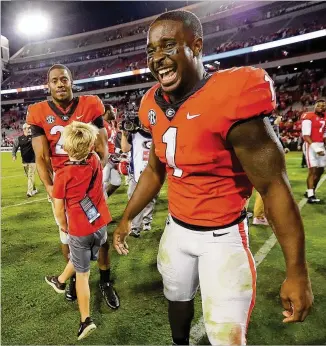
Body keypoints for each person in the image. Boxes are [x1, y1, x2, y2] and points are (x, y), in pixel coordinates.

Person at [113, 10, 313, 346]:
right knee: (176, 301)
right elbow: (154, 169)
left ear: (196, 45)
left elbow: (273, 186)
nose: (157, 59)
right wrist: (127, 217)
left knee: (226, 338)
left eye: (168, 46)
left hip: (223, 238)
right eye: (151, 51)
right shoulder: (151, 102)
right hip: (176, 231)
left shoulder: (231, 94)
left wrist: (297, 271)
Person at [26, 64, 119, 309]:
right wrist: (50, 188)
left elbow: (102, 149)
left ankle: (105, 280)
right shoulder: (38, 112)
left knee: (101, 236)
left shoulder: (91, 104)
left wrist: (91, 178)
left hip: (89, 185)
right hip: (63, 187)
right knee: (67, 237)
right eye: (54, 80)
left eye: (64, 79)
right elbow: (42, 157)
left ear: (71, 81)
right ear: (48, 85)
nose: (59, 84)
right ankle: (77, 276)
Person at [45, 121, 110, 340]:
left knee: (82, 274)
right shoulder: (94, 160)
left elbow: (58, 207)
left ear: (66, 146)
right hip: (100, 225)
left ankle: (86, 321)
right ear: (90, 144)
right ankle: (60, 281)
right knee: (80, 258)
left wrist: (63, 225)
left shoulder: (62, 174)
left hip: (80, 228)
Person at [119, 118, 157, 238]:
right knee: (134, 198)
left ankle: (147, 221)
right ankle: (136, 227)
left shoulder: (157, 133)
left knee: (150, 198)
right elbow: (125, 149)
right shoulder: (135, 134)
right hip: (136, 172)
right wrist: (124, 135)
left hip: (152, 171)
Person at [301, 99, 326, 204]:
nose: (321, 107)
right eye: (319, 105)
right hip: (310, 145)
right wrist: (316, 148)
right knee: (313, 170)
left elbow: (324, 134)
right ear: (315, 106)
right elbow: (306, 136)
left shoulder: (325, 118)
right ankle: (311, 195)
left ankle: (310, 191)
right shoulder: (309, 116)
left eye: (323, 106)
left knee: (320, 170)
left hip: (321, 144)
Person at [12, 123, 38, 197]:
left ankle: (29, 192)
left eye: (29, 128)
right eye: (27, 128)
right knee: (29, 176)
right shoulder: (19, 139)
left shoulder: (33, 137)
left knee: (30, 175)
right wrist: (14, 155)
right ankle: (34, 189)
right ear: (24, 129)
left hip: (33, 160)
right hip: (24, 161)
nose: (29, 129)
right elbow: (15, 147)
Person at [102, 103, 122, 198]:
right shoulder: (101, 124)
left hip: (112, 157)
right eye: (112, 110)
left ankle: (102, 201)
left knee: (116, 182)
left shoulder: (111, 123)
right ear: (106, 112)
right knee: (103, 182)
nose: (114, 112)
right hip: (105, 158)